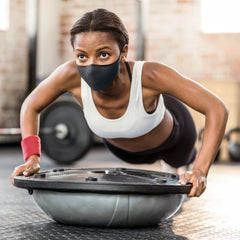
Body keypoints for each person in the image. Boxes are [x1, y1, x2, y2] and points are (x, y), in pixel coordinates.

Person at [11, 8, 228, 197]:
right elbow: (31, 105)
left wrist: (200, 170)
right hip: (124, 152)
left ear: (123, 52)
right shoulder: (69, 75)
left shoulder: (150, 75)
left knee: (179, 165)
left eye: (103, 55)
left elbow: (217, 109)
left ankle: (180, 162)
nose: (91, 63)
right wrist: (32, 158)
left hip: (174, 140)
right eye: (82, 56)